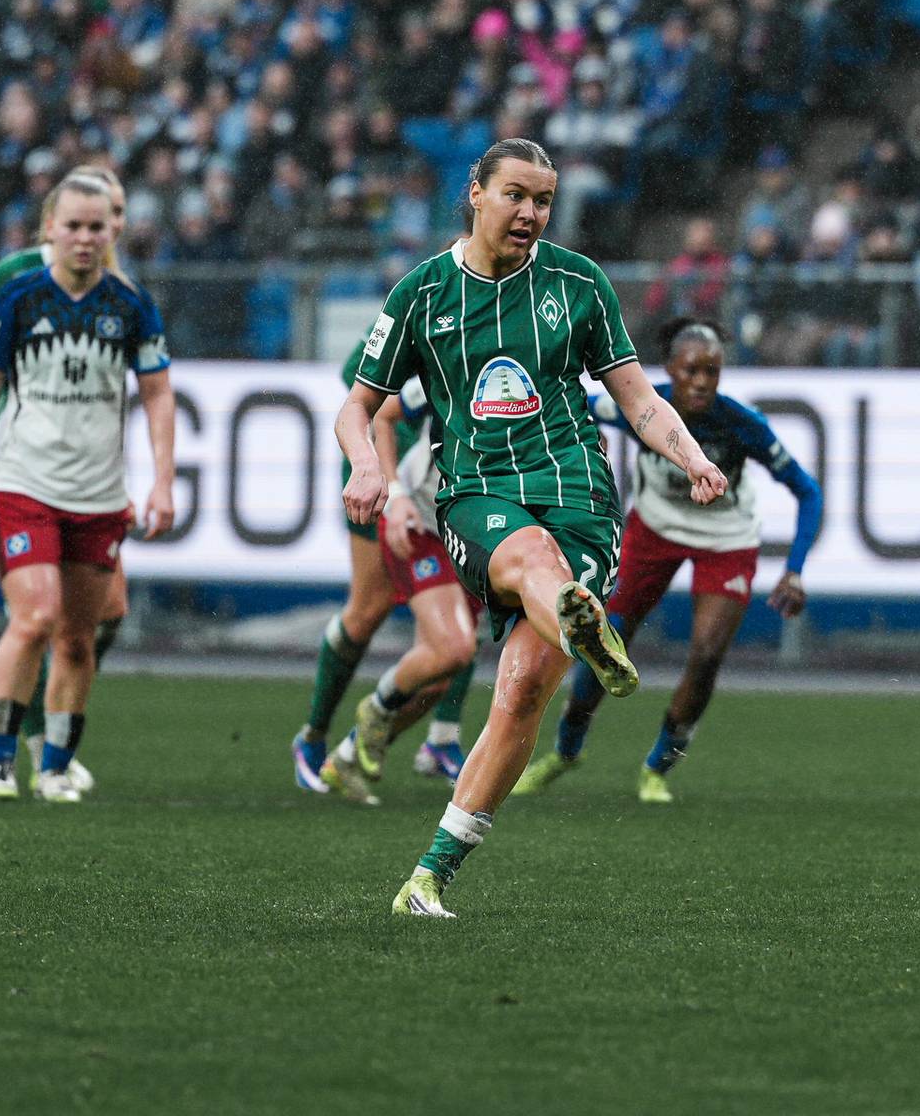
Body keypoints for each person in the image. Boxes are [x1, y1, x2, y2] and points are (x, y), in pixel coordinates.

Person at [335, 138, 728, 918]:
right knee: (529, 556)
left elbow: (638, 400)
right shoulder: (421, 294)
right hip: (477, 493)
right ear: (476, 192)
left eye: (543, 200)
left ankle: (427, 879)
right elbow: (358, 405)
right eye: (516, 195)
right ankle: (589, 628)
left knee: (517, 695)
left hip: (579, 491)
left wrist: (691, 456)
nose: (531, 213)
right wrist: (366, 465)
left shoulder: (579, 283)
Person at [513, 318, 823, 804]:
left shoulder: (742, 424)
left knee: (705, 656)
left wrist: (796, 568)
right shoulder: (641, 404)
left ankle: (658, 765)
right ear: (670, 371)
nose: (701, 381)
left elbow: (808, 491)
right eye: (691, 370)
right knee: (603, 640)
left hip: (727, 540)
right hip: (652, 532)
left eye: (712, 372)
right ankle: (566, 751)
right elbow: (570, 410)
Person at [0, 172, 175, 803]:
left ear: (113, 231)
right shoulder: (19, 296)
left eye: (96, 227)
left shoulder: (130, 305)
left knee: (80, 637)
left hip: (99, 495)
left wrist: (161, 482)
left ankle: (53, 765)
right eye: (73, 226)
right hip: (23, 482)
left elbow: (158, 393)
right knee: (35, 615)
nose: (84, 238)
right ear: (49, 228)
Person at [319, 377, 482, 805]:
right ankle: (376, 709)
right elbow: (386, 414)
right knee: (454, 649)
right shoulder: (452, 365)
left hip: (476, 532)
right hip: (421, 525)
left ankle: (345, 758)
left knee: (434, 681)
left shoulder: (536, 381)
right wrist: (396, 494)